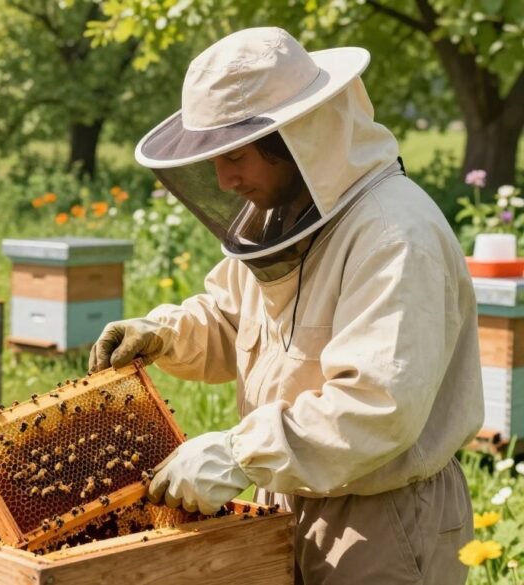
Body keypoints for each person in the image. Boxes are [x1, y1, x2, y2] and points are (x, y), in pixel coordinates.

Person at [89, 27, 481, 584]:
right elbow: (234, 319)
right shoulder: (283, 212)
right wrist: (164, 332)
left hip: (381, 517)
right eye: (214, 158)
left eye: (237, 156)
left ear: (299, 135)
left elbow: (377, 405)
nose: (224, 179)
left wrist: (238, 452)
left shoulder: (394, 234)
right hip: (288, 495)